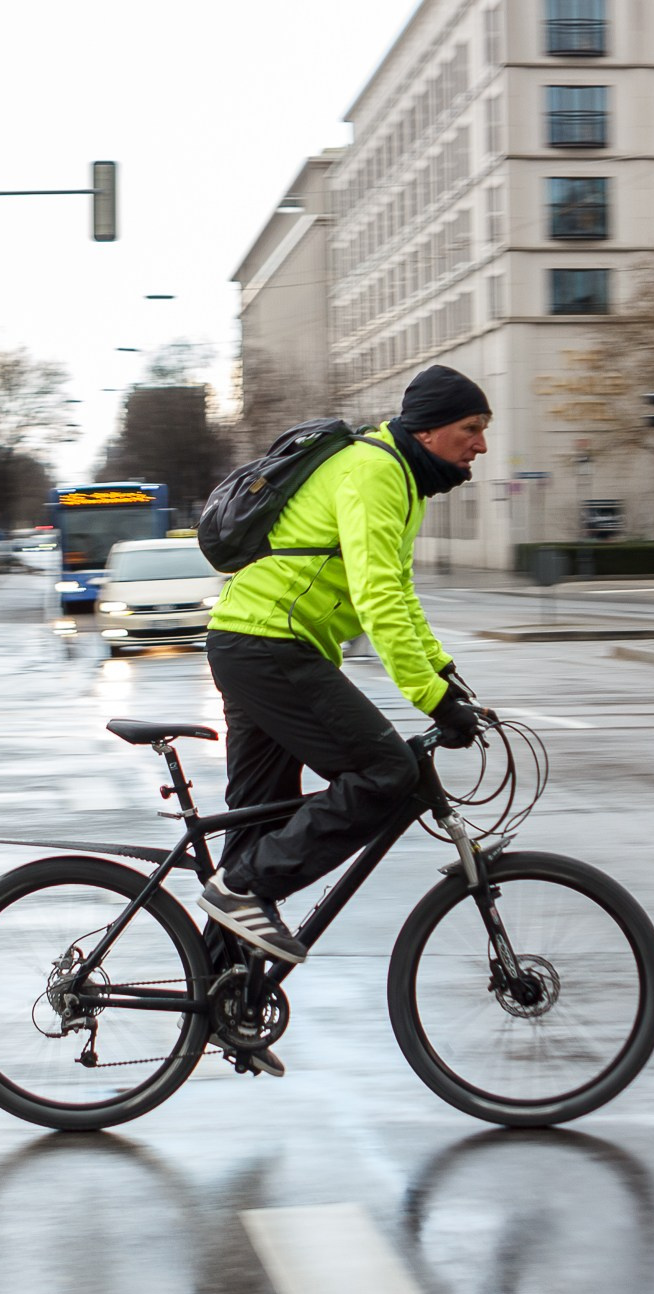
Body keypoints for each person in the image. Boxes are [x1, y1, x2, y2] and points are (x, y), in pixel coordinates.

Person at [198, 364, 492, 990]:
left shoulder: (398, 477)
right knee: (388, 772)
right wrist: (431, 700)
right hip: (269, 644)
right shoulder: (376, 470)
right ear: (433, 428)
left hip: (256, 642)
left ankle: (224, 1002)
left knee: (257, 826)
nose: (482, 444)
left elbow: (400, 594)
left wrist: (443, 672)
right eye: (472, 428)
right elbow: (376, 596)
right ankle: (244, 887)